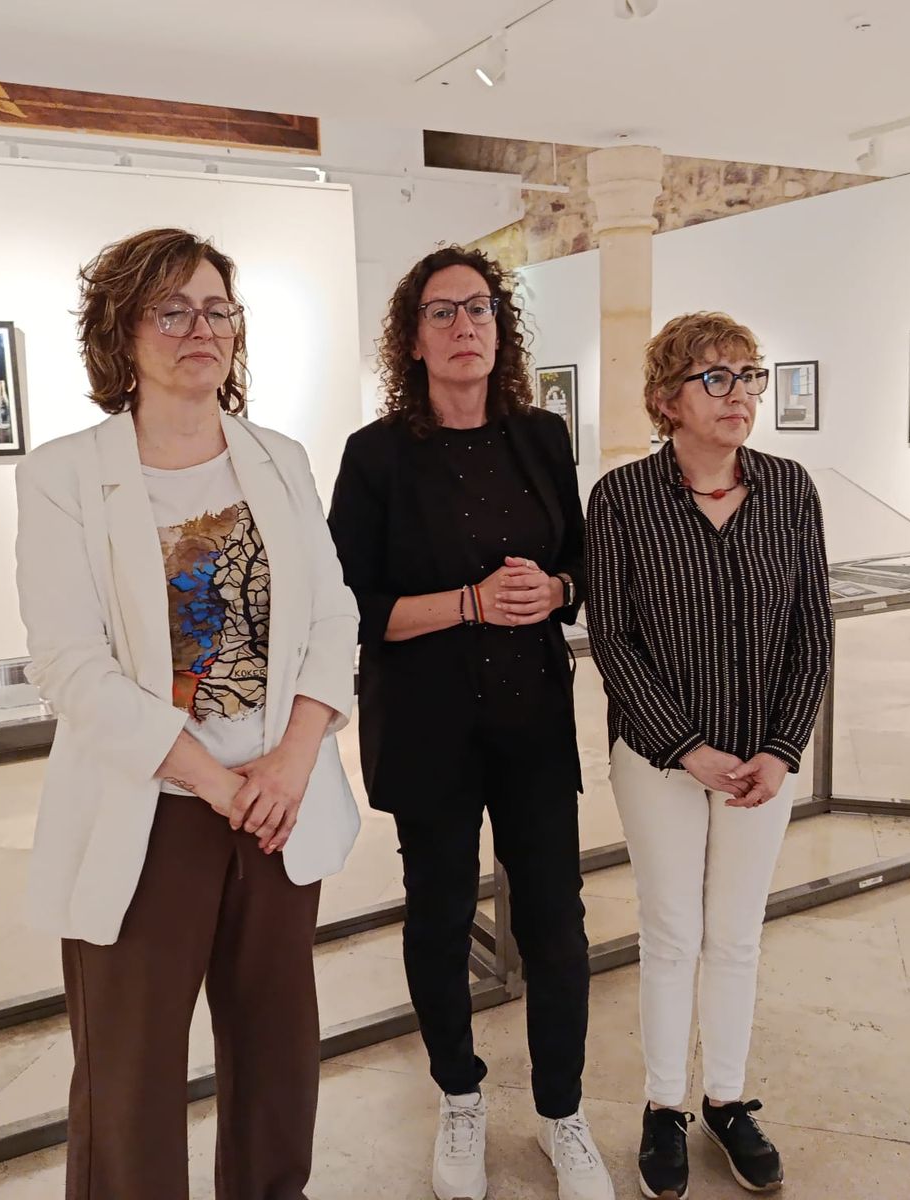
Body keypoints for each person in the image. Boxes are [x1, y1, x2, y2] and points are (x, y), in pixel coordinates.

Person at [14, 227, 361, 1200]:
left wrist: (291, 760)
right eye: (170, 309)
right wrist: (216, 780)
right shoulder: (65, 476)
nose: (197, 328)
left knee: (278, 1063)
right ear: (122, 335)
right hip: (151, 808)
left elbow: (333, 618)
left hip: (278, 806)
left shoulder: (278, 459)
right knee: (128, 1085)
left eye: (215, 309)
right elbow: (69, 663)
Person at [327, 246, 613, 1200]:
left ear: (502, 328)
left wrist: (558, 588)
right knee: (441, 917)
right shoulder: (377, 455)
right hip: (429, 728)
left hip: (532, 724)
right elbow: (355, 608)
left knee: (557, 925)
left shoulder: (543, 436)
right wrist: (471, 603)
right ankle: (459, 1097)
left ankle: (564, 1116)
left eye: (479, 309)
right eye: (442, 313)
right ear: (412, 339)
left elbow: (579, 569)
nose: (464, 327)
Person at [585, 312, 834, 1197]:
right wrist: (688, 749)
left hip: (760, 761)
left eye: (748, 375)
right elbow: (613, 637)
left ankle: (727, 1100)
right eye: (715, 378)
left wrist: (781, 748)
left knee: (735, 935)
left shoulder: (789, 489)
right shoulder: (622, 499)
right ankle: (663, 1108)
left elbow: (814, 631)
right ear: (667, 401)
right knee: (672, 931)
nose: (739, 395)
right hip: (661, 759)